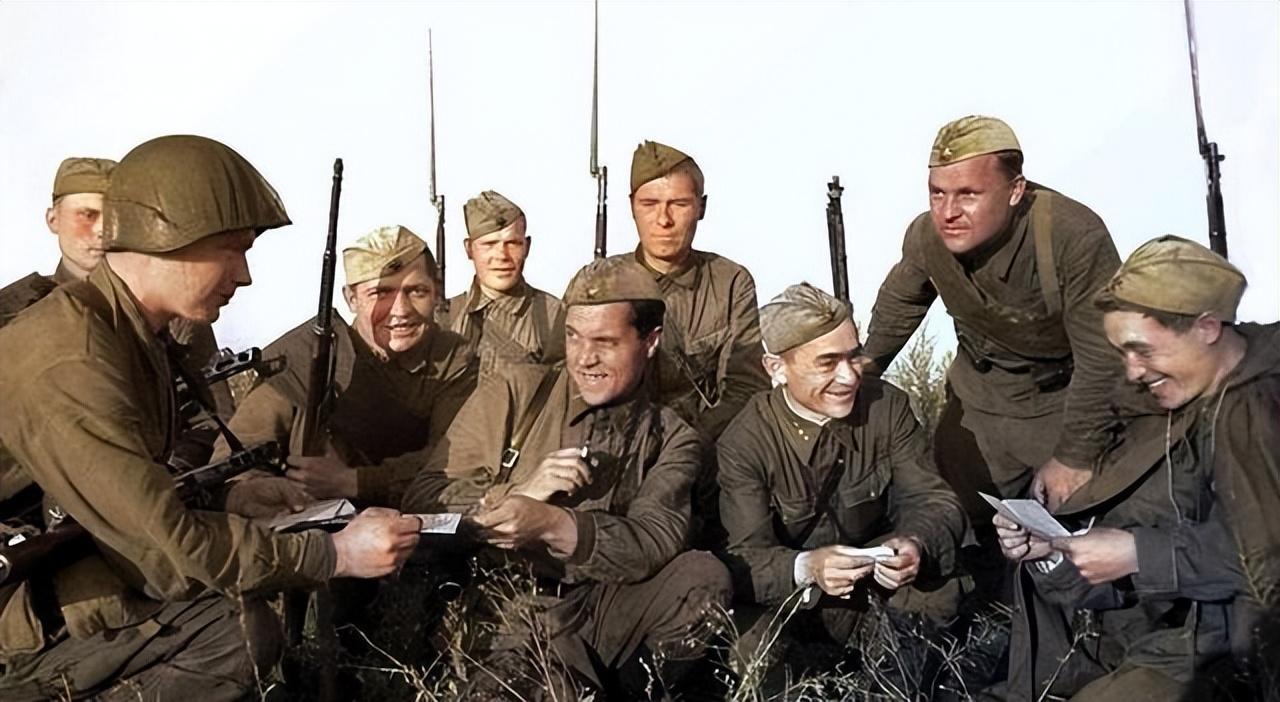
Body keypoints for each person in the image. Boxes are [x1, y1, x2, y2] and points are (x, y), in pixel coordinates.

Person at [0, 135, 421, 701]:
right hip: (16, 611)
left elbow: (132, 493)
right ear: (165, 238)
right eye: (231, 249)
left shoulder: (125, 332)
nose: (244, 276)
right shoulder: (71, 354)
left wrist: (231, 501)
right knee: (235, 632)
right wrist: (337, 553)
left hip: (46, 574)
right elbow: (166, 551)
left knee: (239, 617)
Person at [403, 257, 730, 700]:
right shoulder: (517, 393)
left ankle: (637, 689)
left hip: (608, 607)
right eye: (573, 337)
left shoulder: (672, 437)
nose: (584, 358)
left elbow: (654, 542)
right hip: (511, 608)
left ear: (650, 341)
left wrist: (554, 525)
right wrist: (519, 494)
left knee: (703, 576)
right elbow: (424, 500)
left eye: (605, 342)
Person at [996, 236, 1277, 700]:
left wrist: (1140, 554)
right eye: (1122, 354)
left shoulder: (1266, 402)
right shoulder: (1169, 418)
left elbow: (1263, 557)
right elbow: (1134, 561)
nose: (1132, 372)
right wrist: (1052, 552)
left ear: (1207, 327)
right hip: (1186, 650)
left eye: (1143, 350)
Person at [864, 116, 1123, 515]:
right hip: (977, 404)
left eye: (968, 194)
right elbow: (900, 305)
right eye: (937, 193)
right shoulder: (926, 237)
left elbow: (1103, 356)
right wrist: (861, 371)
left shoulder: (1071, 236)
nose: (948, 212)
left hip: (1060, 405)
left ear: (1016, 190)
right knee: (954, 523)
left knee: (1077, 531)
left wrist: (1075, 456)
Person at [718, 283, 965, 676]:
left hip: (872, 591)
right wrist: (808, 567)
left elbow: (933, 501)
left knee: (937, 593)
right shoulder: (744, 441)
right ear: (776, 368)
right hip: (796, 602)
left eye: (854, 356)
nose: (849, 377)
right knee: (751, 646)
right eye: (827, 363)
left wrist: (915, 543)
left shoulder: (887, 407)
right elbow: (745, 558)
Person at [215, 224, 476, 509]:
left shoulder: (455, 359)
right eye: (381, 293)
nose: (401, 310)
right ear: (352, 299)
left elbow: (458, 459)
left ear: (437, 292)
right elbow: (235, 457)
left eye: (417, 291)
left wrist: (354, 481)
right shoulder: (305, 357)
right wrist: (254, 493)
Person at [606, 140, 769, 441]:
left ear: (701, 207)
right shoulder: (598, 282)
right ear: (632, 207)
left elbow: (746, 387)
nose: (663, 220)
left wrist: (684, 445)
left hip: (703, 446)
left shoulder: (730, 283)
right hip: (616, 445)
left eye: (679, 204)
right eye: (649, 204)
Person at [445, 189, 565, 378]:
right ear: (469, 249)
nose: (502, 255)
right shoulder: (445, 317)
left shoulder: (555, 317)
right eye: (489, 244)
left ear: (527, 247)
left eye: (513, 243)